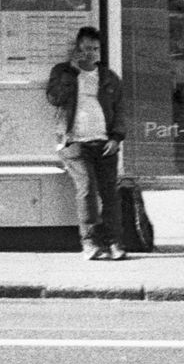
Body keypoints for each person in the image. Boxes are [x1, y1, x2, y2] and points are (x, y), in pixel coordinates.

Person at [45, 25, 127, 260]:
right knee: (88, 189)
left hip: (105, 142)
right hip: (74, 143)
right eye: (85, 49)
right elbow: (54, 98)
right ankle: (90, 242)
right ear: (76, 49)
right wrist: (72, 72)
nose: (90, 53)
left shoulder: (108, 77)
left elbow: (119, 109)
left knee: (110, 193)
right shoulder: (62, 72)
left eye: (94, 49)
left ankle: (113, 243)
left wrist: (116, 137)